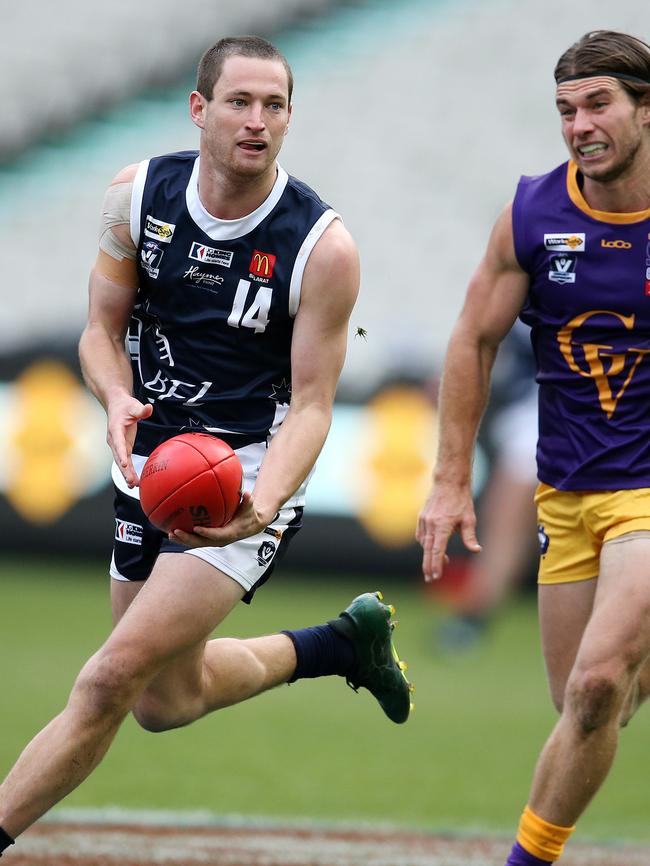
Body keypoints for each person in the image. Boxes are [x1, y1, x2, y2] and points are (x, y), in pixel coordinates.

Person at [0, 35, 412, 857]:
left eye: (274, 105)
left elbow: (314, 408)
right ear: (199, 109)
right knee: (161, 700)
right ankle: (335, 647)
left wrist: (260, 507)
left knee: (111, 679)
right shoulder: (136, 195)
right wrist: (116, 395)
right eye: (239, 101)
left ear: (290, 117)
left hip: (241, 475)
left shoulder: (322, 248)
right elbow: (98, 332)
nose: (257, 121)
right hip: (151, 465)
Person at [417, 29, 650, 866]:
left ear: (646, 109)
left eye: (598, 104)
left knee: (594, 685)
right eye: (565, 109)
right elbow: (473, 341)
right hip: (569, 494)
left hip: (647, 499)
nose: (579, 124)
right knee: (592, 707)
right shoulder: (533, 214)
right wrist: (450, 480)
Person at [436, 320, 539, 651]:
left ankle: (473, 617)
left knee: (507, 520)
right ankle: (474, 616)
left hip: (570, 412)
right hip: (542, 408)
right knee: (505, 521)